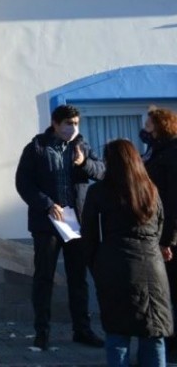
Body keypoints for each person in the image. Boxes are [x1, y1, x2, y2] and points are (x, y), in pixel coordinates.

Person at [15, 104, 105, 350]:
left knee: (78, 278)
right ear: (55, 124)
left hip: (75, 222)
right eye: (68, 123)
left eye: (76, 123)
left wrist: (84, 163)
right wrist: (45, 204)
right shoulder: (36, 148)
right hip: (47, 223)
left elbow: (102, 172)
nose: (73, 128)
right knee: (44, 277)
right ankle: (42, 332)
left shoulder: (82, 147)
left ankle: (82, 329)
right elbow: (23, 183)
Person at [82, 139, 172, 367]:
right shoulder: (151, 190)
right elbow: (160, 227)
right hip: (152, 267)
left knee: (117, 334)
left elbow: (89, 235)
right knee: (153, 334)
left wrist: (96, 265)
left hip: (114, 266)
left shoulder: (99, 192)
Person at [141, 107, 177, 358]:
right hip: (157, 229)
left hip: (169, 235)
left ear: (160, 126)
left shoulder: (172, 153)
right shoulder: (157, 150)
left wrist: (168, 240)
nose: (145, 127)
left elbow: (173, 200)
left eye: (149, 123)